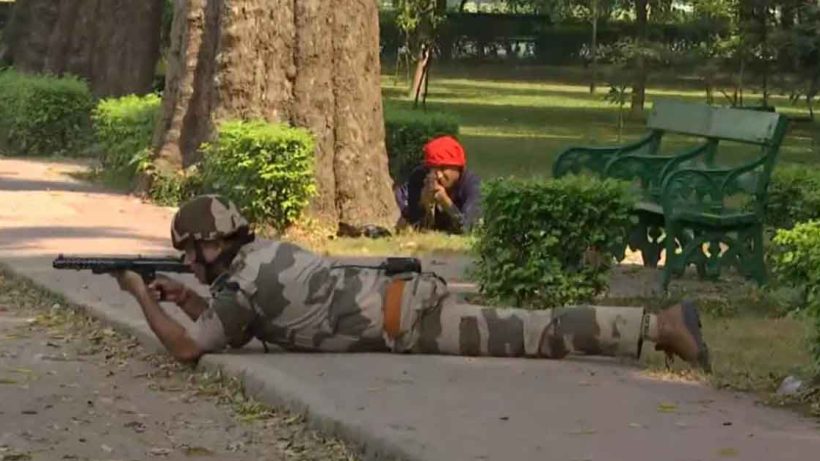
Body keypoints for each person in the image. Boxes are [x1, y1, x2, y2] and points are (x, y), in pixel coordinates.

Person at [111, 195, 711, 372]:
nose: (188, 263)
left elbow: (191, 349)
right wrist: (188, 300)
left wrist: (142, 294)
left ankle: (663, 327)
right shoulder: (257, 260)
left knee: (540, 333)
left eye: (191, 254)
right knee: (535, 327)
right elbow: (237, 330)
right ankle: (658, 326)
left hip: (407, 318)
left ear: (213, 245)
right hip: (402, 303)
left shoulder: (241, 283)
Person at [395, 136, 482, 234]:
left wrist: (446, 203)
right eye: (433, 169)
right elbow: (414, 225)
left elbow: (470, 228)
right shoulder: (420, 177)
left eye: (443, 168)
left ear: (458, 167)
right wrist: (423, 204)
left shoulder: (472, 184)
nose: (439, 175)